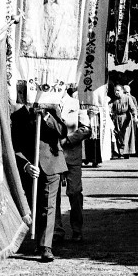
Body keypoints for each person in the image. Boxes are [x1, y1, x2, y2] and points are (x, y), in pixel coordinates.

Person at [11, 103, 68, 263]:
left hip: (52, 163)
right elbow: (13, 145)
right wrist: (26, 165)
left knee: (48, 206)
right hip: (31, 167)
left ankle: (45, 247)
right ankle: (38, 240)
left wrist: (45, 116)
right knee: (34, 205)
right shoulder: (18, 115)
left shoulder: (52, 109)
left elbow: (62, 131)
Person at [54, 87, 91, 242]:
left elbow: (86, 129)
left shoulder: (76, 104)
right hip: (53, 156)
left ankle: (77, 229)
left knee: (74, 193)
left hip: (72, 155)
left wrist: (68, 140)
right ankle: (56, 230)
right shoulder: (48, 104)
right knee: (52, 194)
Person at [110, 84, 138, 159]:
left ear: (122, 91)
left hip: (125, 118)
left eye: (118, 90)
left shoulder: (127, 98)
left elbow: (133, 108)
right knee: (118, 135)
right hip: (116, 118)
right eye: (115, 90)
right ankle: (120, 151)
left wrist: (135, 116)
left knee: (126, 135)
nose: (116, 92)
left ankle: (126, 152)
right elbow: (110, 107)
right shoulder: (114, 99)